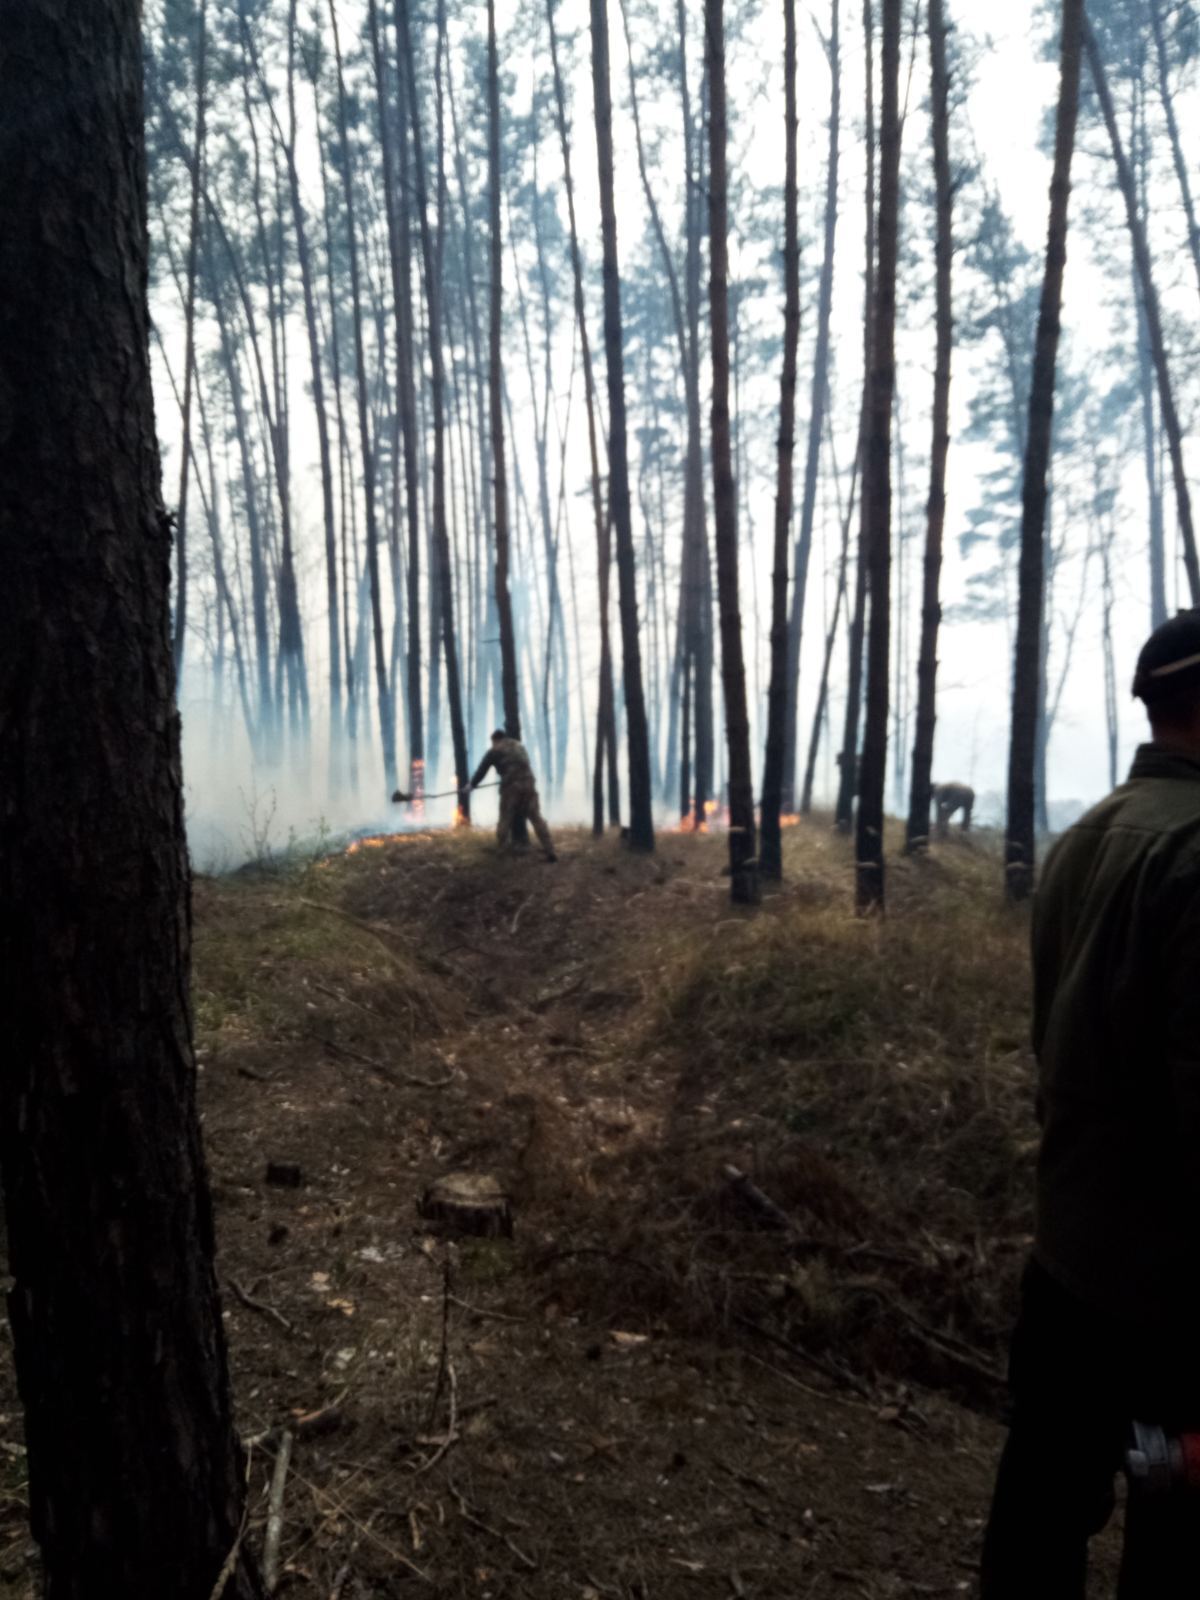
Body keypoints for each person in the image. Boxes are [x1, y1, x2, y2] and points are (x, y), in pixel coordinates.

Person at [981, 611, 1200, 1597]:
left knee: (1038, 1518)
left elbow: (1051, 1040)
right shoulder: (1196, 851)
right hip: (1176, 1286)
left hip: (1068, 1255)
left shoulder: (1086, 839)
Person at [464, 729, 556, 862]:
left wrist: (471, 785)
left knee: (505, 819)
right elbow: (524, 765)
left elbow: (482, 770)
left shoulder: (494, 750)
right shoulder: (519, 745)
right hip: (529, 784)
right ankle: (550, 850)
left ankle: (501, 851)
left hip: (511, 788)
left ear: (494, 740)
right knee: (536, 818)